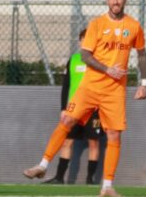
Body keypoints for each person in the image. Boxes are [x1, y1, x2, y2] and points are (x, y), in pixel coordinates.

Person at [24, 0, 146, 197]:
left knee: (114, 135)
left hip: (115, 91)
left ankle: (107, 186)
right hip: (90, 87)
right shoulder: (97, 24)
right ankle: (43, 165)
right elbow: (85, 56)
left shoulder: (134, 26)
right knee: (67, 121)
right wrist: (107, 68)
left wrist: (144, 83)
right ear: (106, 0)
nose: (115, 2)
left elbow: (142, 54)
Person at [43, 28, 102, 185]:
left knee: (93, 143)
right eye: (83, 39)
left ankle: (90, 180)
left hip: (93, 109)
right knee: (66, 142)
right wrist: (64, 107)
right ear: (80, 41)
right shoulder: (74, 59)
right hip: (74, 108)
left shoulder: (99, 60)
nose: (86, 42)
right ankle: (59, 177)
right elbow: (66, 85)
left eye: (89, 39)